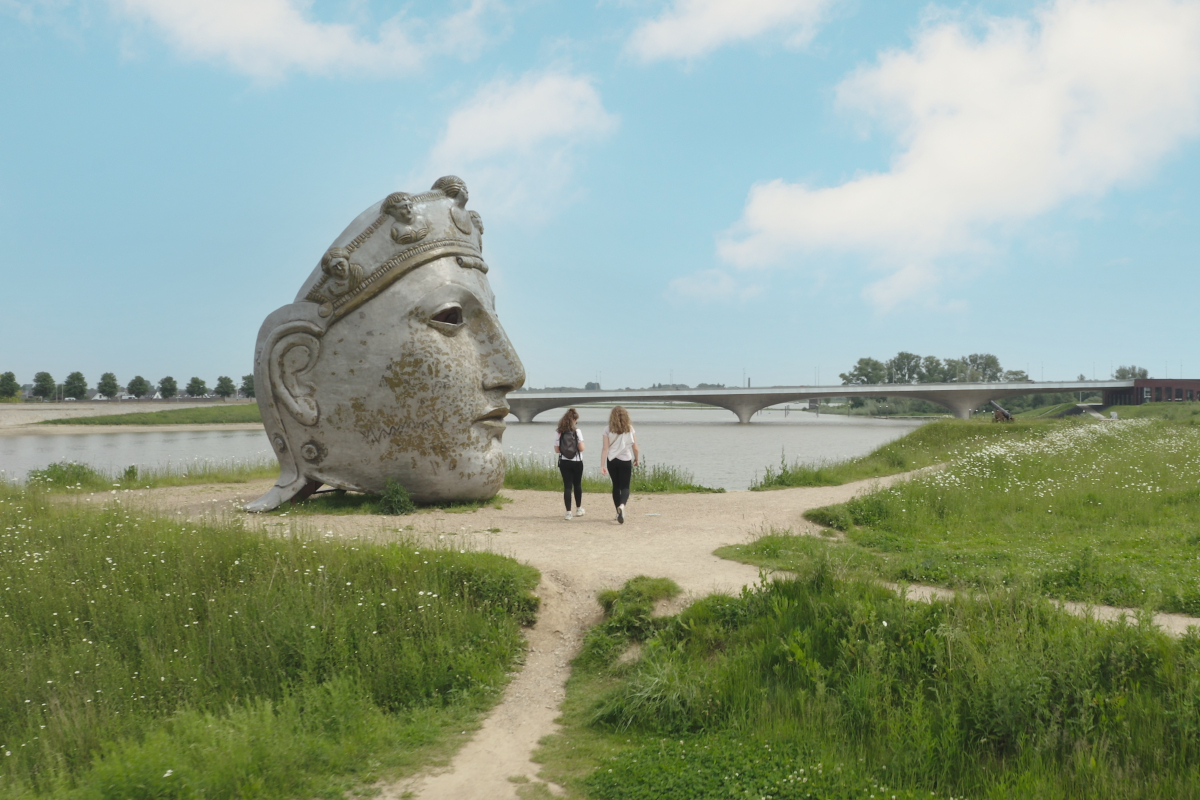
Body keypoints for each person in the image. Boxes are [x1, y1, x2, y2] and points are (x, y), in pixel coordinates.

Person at [600, 405, 638, 524]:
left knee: (616, 486)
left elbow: (605, 448)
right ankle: (622, 506)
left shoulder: (607, 429)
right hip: (625, 459)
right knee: (625, 487)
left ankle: (618, 513)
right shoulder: (630, 428)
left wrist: (602, 465)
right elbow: (635, 446)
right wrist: (637, 458)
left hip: (612, 460)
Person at [554, 408, 586, 520]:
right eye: (576, 420)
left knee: (567, 486)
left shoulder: (559, 432)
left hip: (564, 462)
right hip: (577, 461)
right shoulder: (577, 432)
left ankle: (568, 512)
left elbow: (557, 450)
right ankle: (579, 509)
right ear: (573, 419)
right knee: (577, 485)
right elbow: (581, 448)